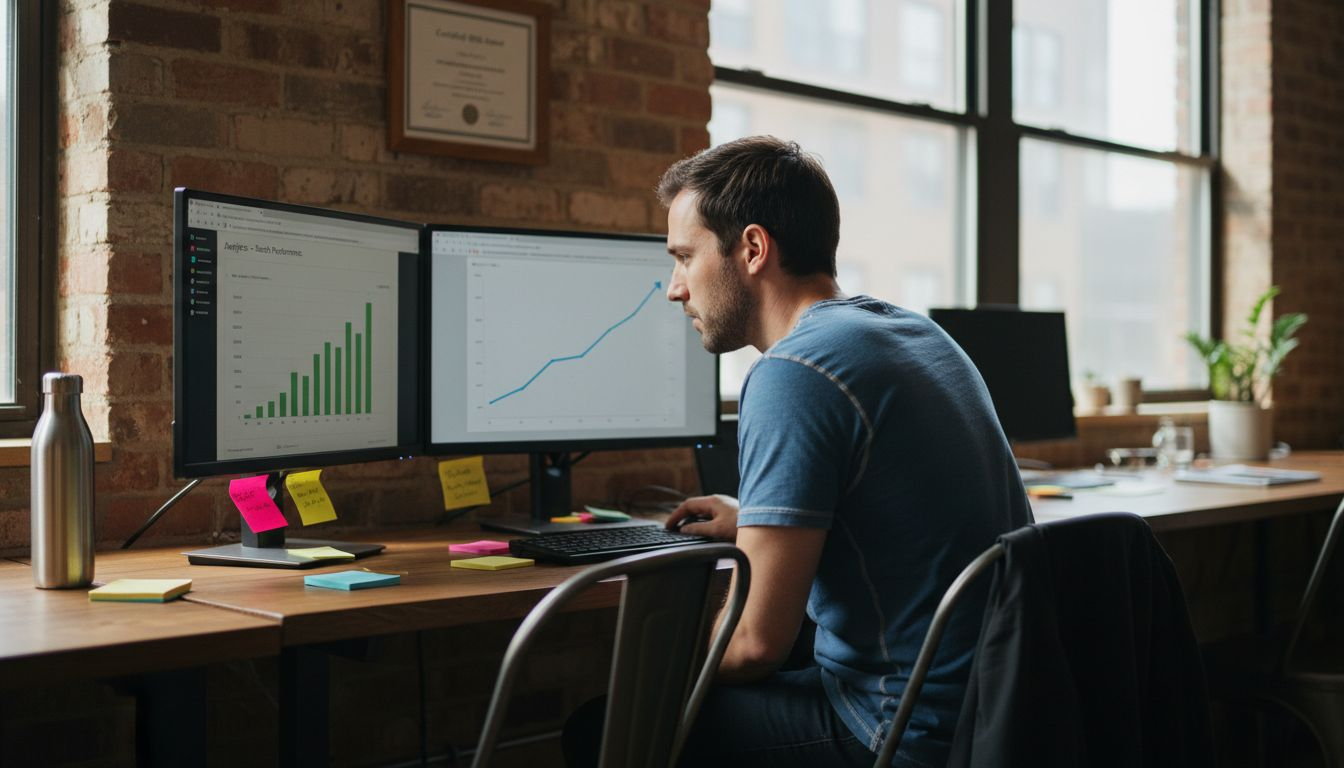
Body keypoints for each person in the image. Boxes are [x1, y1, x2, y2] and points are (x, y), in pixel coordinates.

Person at [563, 136, 1031, 768]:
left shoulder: (794, 373)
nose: (675, 288)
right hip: (997, 709)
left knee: (605, 727)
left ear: (752, 249)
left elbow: (755, 644)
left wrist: (664, 667)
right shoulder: (914, 332)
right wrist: (758, 518)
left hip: (899, 731)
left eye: (683, 257)